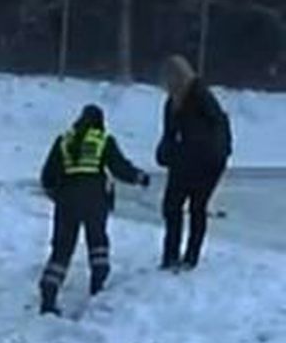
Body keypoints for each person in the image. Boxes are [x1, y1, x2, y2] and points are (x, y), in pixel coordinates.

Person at [39, 104, 150, 316]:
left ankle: (49, 294)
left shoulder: (64, 140)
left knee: (62, 248)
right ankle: (98, 283)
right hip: (94, 198)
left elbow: (47, 177)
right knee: (97, 242)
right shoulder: (103, 139)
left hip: (67, 200)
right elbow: (119, 168)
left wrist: (57, 196)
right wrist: (139, 177)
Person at [157, 55, 232, 271]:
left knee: (197, 207)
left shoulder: (200, 95)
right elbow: (169, 134)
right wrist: (164, 152)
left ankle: (191, 257)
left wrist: (217, 152)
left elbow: (219, 124)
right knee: (172, 206)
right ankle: (170, 255)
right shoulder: (172, 103)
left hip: (207, 161)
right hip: (184, 159)